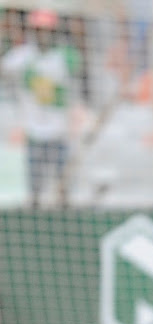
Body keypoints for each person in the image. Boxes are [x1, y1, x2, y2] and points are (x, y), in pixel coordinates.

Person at [0, 8, 81, 207]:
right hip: (34, 131)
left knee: (63, 187)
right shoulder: (23, 55)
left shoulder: (65, 56)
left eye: (46, 30)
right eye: (38, 29)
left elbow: (77, 69)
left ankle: (64, 212)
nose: (42, 34)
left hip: (59, 132)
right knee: (35, 189)